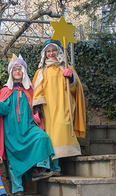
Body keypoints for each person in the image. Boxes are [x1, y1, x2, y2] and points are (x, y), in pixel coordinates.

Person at [0, 54, 55, 196]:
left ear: (24, 72)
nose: (17, 72)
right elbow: (3, 108)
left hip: (28, 127)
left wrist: (37, 113)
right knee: (13, 159)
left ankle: (39, 169)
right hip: (12, 131)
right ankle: (17, 188)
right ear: (11, 72)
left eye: (20, 69)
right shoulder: (5, 91)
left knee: (42, 138)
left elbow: (36, 106)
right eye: (15, 69)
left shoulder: (30, 90)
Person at [32, 39, 86, 174]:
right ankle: (55, 167)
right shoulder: (41, 71)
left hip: (64, 106)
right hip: (48, 108)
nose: (51, 53)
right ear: (44, 53)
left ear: (59, 51)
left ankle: (60, 164)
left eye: (53, 50)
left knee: (62, 130)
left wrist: (71, 78)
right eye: (48, 51)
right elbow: (38, 90)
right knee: (51, 135)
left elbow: (75, 90)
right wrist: (37, 109)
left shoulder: (66, 68)